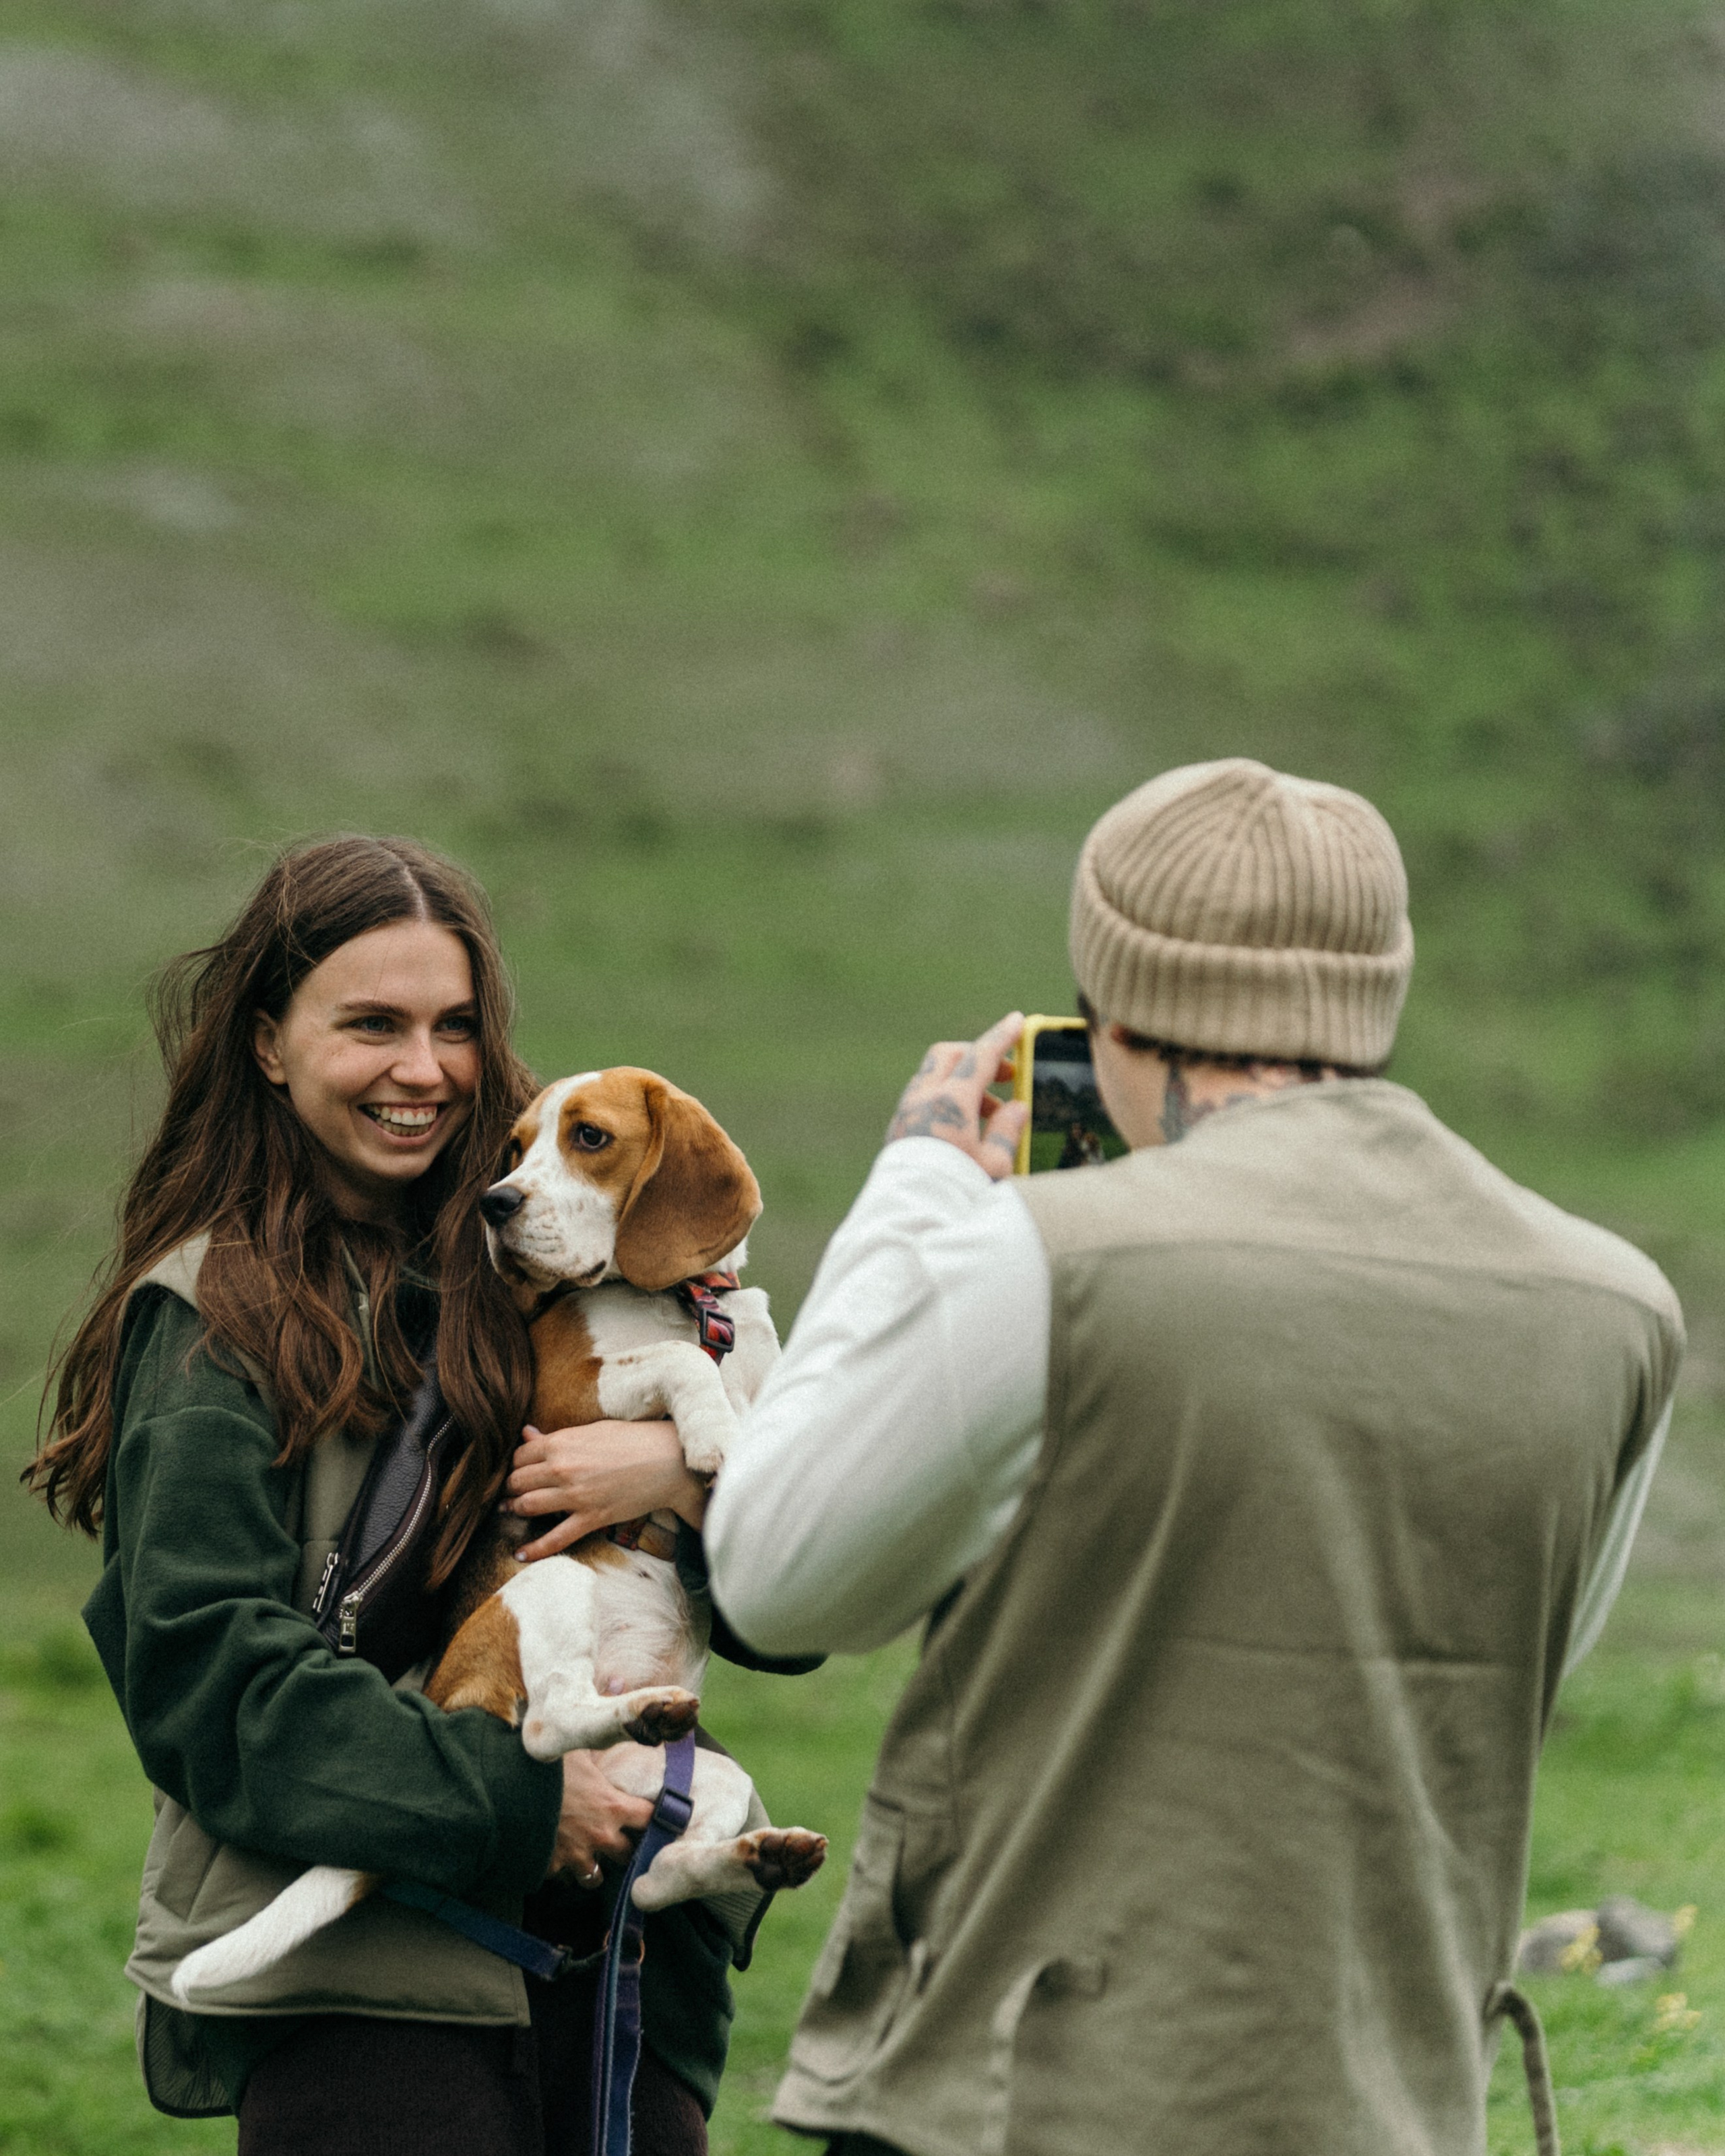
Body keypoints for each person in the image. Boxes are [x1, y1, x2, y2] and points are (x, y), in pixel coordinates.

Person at [705, 759, 1684, 2156]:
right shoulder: (1611, 1305)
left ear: (1111, 1003)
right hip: (1389, 2097)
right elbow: (1528, 1651)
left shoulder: (1037, 1260)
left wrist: (921, 1179)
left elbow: (773, 1574)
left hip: (1025, 2093)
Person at [26, 835, 765, 2156]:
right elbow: (213, 1686)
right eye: (372, 1023)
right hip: (367, 1986)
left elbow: (791, 1610)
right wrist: (525, 1802)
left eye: (454, 1025)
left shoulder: (563, 1248)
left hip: (627, 1952)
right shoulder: (213, 1316)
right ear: (267, 1042)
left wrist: (684, 1477)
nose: (423, 1069)